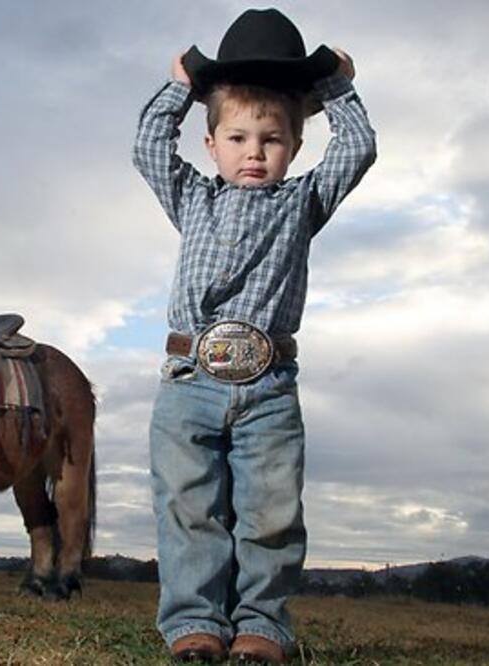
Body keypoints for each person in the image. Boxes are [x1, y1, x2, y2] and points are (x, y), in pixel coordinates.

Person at [132, 8, 376, 664]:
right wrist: (182, 86)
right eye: (238, 138)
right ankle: (195, 626)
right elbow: (149, 145)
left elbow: (358, 148)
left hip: (268, 385)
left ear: (294, 146)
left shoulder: (305, 202)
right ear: (211, 145)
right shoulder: (191, 198)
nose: (254, 152)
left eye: (271, 139)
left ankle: (261, 629)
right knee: (188, 510)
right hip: (188, 382)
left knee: (270, 515)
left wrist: (334, 86)